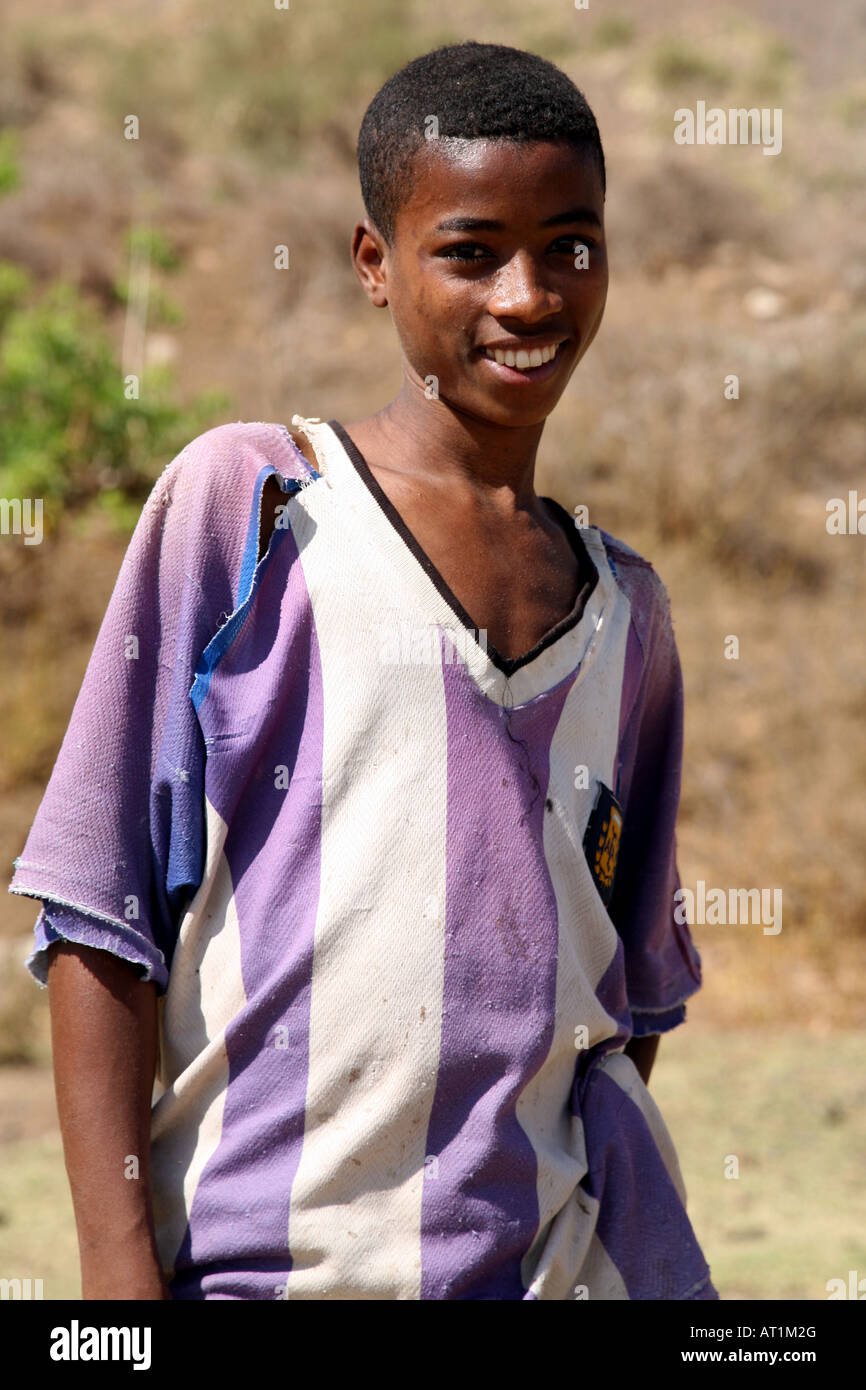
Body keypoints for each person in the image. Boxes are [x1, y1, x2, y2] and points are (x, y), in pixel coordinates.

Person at [9, 40, 717, 1300]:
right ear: (373, 266)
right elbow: (102, 923)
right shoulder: (255, 507)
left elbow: (617, 1009)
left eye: (570, 243)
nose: (527, 294)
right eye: (469, 249)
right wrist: (118, 1288)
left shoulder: (629, 619)